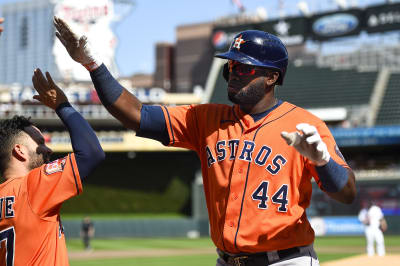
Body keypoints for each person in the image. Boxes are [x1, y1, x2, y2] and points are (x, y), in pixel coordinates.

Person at [54, 16, 356, 266]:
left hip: (285, 261)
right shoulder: (205, 119)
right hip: (225, 260)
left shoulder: (305, 126)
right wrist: (93, 64)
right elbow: (137, 116)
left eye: (245, 68)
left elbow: (347, 193)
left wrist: (323, 163)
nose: (235, 74)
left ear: (272, 78)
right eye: (231, 68)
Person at [0, 67, 105, 264]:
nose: (47, 149)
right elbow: (91, 153)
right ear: (19, 150)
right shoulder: (32, 187)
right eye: (40, 143)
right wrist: (62, 105)